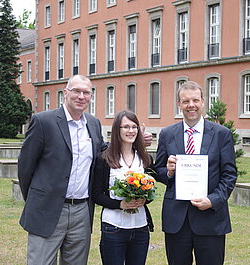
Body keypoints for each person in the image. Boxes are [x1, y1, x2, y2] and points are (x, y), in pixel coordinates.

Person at [18, 75, 152, 265]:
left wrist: (134, 139)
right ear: (66, 93)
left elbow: (103, 150)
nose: (81, 96)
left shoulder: (93, 123)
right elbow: (25, 167)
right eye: (76, 91)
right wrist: (36, 198)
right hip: (47, 208)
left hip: (81, 210)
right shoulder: (43, 121)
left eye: (86, 92)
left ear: (91, 96)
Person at [154, 81, 237, 265]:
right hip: (177, 220)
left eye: (195, 100)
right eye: (185, 101)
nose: (191, 105)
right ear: (179, 104)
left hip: (210, 219)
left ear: (202, 102)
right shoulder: (167, 134)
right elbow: (158, 170)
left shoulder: (221, 134)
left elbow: (229, 175)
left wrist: (213, 200)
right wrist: (167, 172)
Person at [92, 110, 156, 265]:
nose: (131, 131)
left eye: (134, 127)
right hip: (114, 227)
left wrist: (144, 200)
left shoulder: (145, 159)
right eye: (126, 127)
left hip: (140, 227)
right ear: (117, 130)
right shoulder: (105, 159)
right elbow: (96, 194)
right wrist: (120, 204)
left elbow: (151, 189)